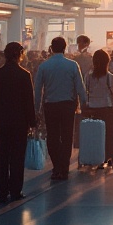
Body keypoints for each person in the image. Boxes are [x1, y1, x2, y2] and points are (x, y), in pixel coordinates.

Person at [0, 41, 36, 204]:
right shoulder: (24, 75)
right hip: (19, 122)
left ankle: (2, 192)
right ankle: (16, 190)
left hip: (2, 122)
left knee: (2, 157)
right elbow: (29, 102)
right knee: (17, 157)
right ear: (20, 54)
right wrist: (32, 122)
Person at [34, 36, 87, 182]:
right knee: (67, 136)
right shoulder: (72, 65)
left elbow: (38, 90)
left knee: (52, 136)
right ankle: (64, 168)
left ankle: (56, 167)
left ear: (51, 48)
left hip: (50, 105)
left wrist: (36, 109)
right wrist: (84, 104)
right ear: (64, 48)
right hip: (67, 105)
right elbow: (80, 87)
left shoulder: (44, 66)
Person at [83, 48, 113, 162]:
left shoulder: (88, 76)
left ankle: (94, 155)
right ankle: (109, 155)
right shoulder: (109, 77)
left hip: (92, 107)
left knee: (94, 134)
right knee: (108, 133)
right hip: (106, 107)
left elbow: (86, 90)